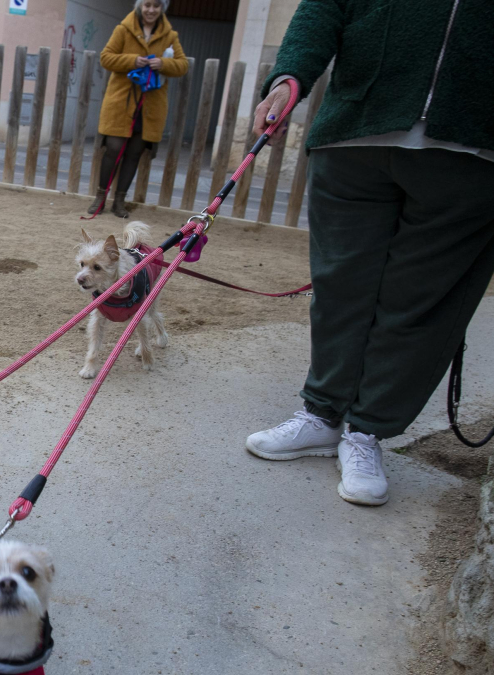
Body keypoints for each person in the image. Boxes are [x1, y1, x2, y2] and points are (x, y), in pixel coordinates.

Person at [245, 0, 494, 507]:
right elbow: (322, 9)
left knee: (419, 302)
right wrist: (289, 76)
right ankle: (321, 414)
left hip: (470, 150)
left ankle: (366, 433)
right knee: (340, 288)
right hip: (354, 133)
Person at [89, 0, 188, 218]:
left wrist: (163, 64)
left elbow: (182, 65)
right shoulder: (123, 29)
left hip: (150, 106)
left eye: (156, 5)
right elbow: (106, 58)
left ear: (162, 8)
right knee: (113, 148)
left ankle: (120, 202)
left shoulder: (170, 36)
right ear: (140, 6)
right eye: (147, 5)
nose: (151, 10)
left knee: (134, 153)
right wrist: (133, 60)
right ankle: (100, 198)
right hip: (121, 103)